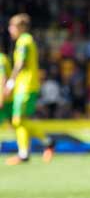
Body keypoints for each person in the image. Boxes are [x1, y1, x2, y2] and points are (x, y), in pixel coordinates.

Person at [5, 14, 54, 165]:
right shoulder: (26, 40)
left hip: (26, 86)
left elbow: (20, 63)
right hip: (25, 85)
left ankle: (48, 141)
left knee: (18, 120)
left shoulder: (24, 41)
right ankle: (24, 154)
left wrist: (10, 83)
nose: (10, 30)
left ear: (21, 27)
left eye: (12, 26)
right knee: (19, 121)